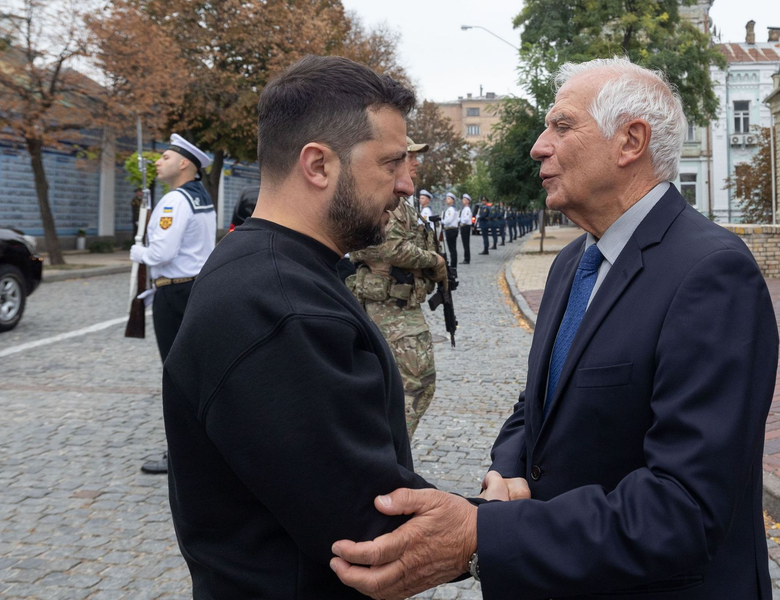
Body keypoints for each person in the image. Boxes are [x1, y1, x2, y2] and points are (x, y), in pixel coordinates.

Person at [330, 57, 779, 600]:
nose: (538, 146)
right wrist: (507, 471)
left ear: (629, 141)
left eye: (561, 126)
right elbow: (540, 402)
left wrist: (481, 534)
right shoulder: (573, 263)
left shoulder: (711, 273)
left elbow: (684, 509)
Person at [161, 55, 438, 598]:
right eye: (390, 163)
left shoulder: (272, 267)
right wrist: (499, 523)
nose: (407, 184)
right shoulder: (282, 305)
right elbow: (367, 532)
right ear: (318, 166)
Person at [348, 135, 447, 437]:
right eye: (408, 156)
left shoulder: (403, 203)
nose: (416, 162)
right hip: (390, 309)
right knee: (416, 384)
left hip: (400, 304)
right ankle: (391, 454)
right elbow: (387, 248)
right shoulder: (382, 199)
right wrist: (435, 261)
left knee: (402, 384)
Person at [129, 133, 216, 474]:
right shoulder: (199, 197)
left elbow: (160, 254)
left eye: (164, 156)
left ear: (184, 164)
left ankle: (183, 454)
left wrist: (138, 252)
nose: (157, 161)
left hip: (175, 292)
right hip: (194, 289)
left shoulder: (174, 201)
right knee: (195, 373)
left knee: (177, 376)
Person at [442, 192, 460, 269]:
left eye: (449, 198)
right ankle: (453, 264)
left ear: (453, 200)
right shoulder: (453, 209)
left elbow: (448, 220)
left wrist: (441, 221)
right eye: (446, 198)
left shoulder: (450, 210)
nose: (447, 200)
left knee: (452, 248)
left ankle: (453, 265)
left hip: (451, 230)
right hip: (452, 229)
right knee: (452, 248)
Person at [459, 193, 473, 264]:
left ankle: (467, 259)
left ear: (468, 201)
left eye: (464, 200)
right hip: (464, 226)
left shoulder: (467, 209)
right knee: (465, 243)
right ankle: (466, 258)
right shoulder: (465, 209)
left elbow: (466, 219)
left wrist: (459, 220)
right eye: (463, 199)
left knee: (466, 243)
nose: (463, 201)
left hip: (465, 226)